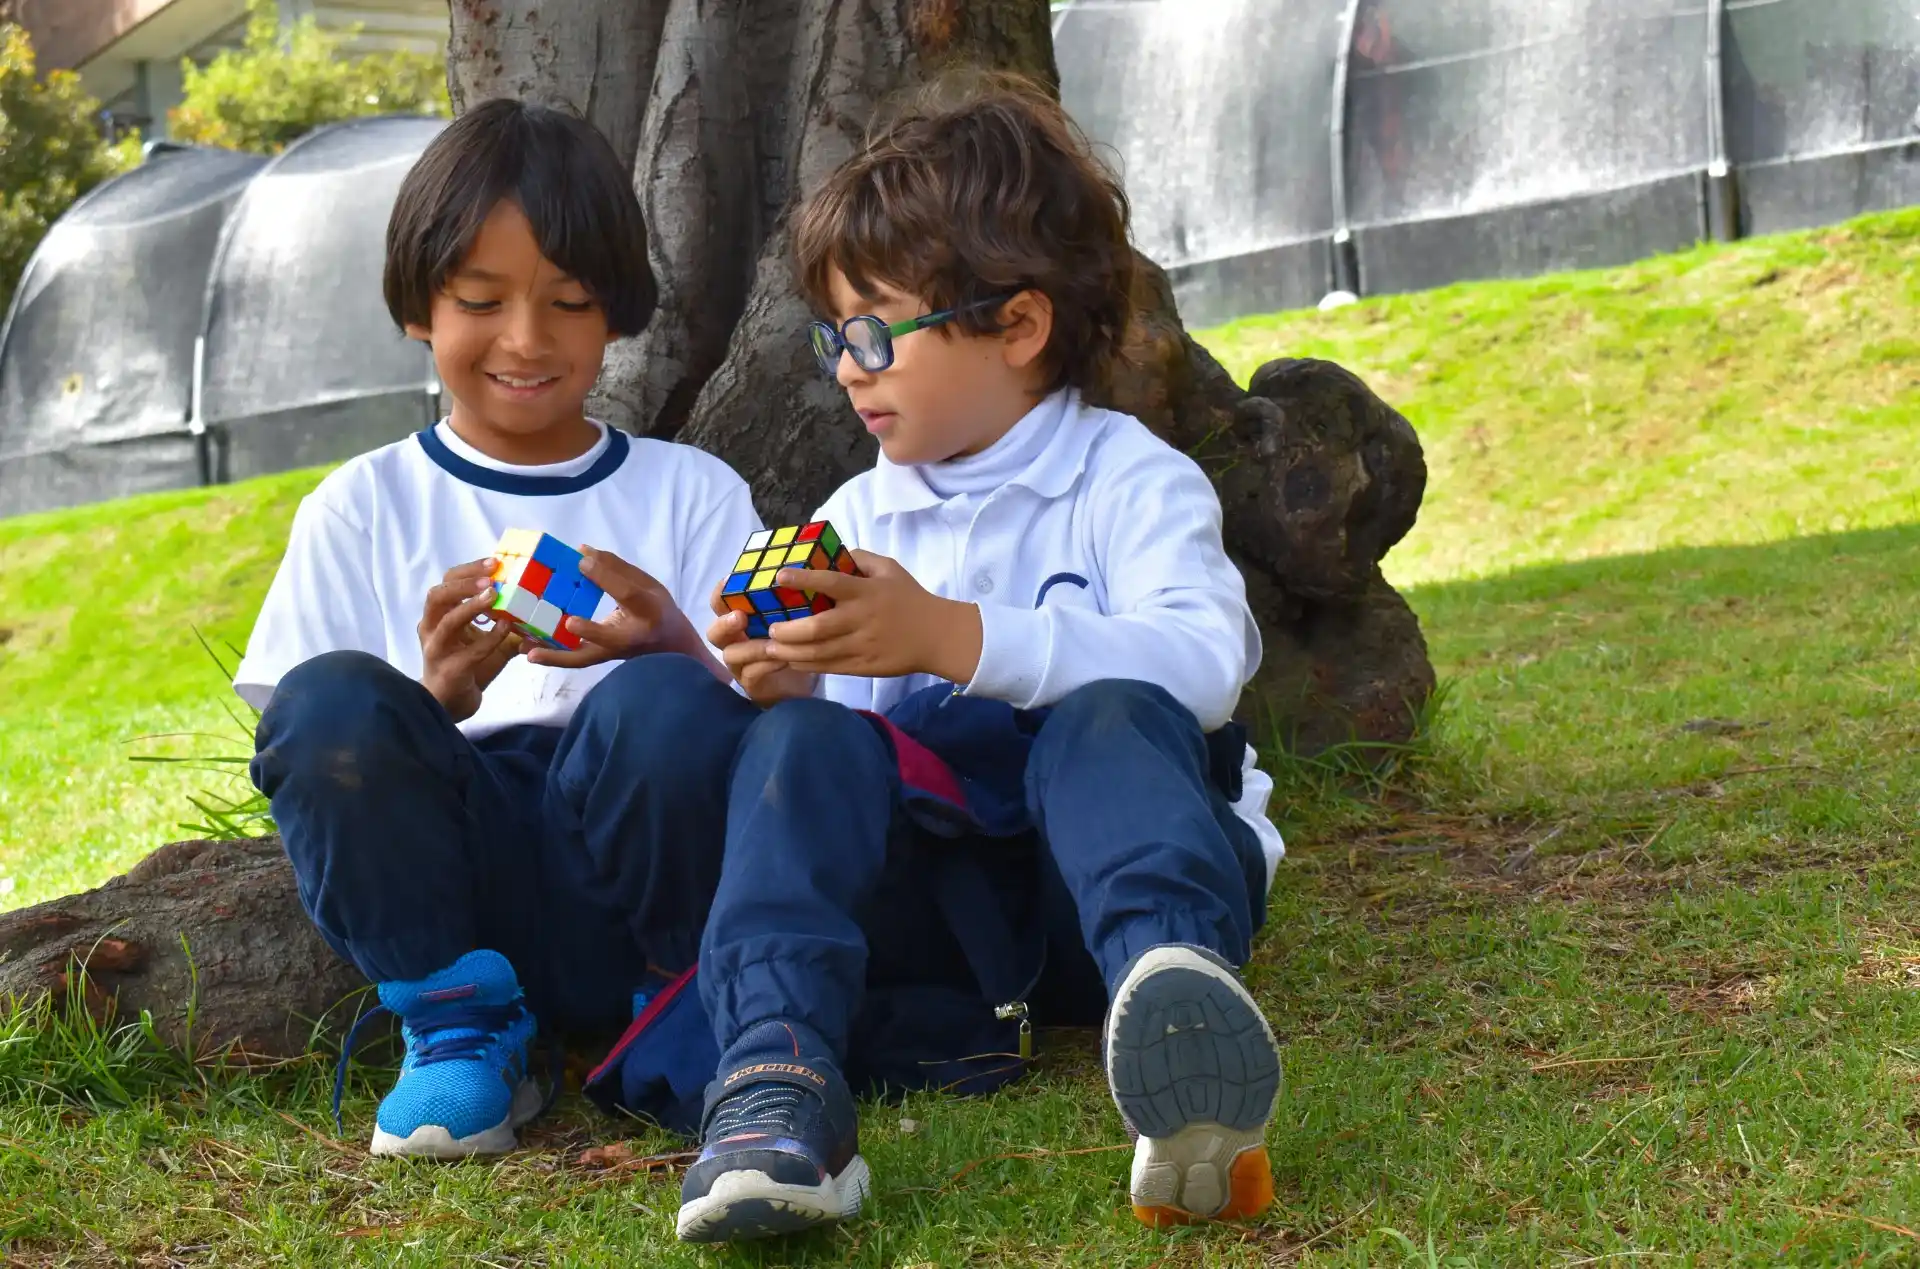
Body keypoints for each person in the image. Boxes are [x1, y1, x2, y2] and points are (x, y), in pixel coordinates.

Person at [674, 71, 1288, 1243]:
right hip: (955, 926)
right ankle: (772, 1083)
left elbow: (1207, 664)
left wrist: (958, 636)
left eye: (873, 333)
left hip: (1106, 896)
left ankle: (1178, 1009)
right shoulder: (853, 515)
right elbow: (860, 757)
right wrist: (790, 683)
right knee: (802, 743)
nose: (847, 367)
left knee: (1108, 713)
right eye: (831, 337)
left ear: (1017, 323)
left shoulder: (1130, 475)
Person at [233, 98, 764, 1159]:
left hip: (633, 882)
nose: (526, 340)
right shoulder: (363, 503)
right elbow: (304, 748)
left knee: (663, 698)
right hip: (449, 895)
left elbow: (775, 721)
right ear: (419, 308)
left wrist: (674, 645)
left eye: (568, 302)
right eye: (481, 299)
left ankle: (680, 1013)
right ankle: (461, 1033)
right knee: (337, 693)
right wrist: (435, 700)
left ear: (615, 312)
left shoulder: (690, 493)